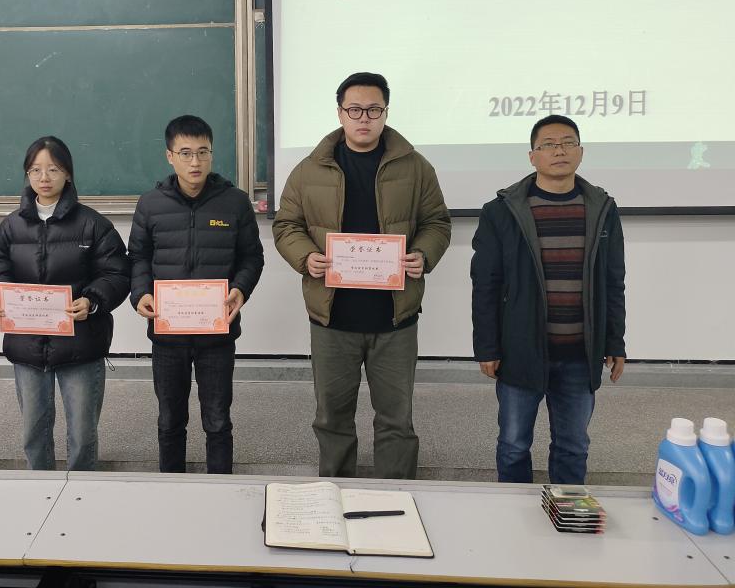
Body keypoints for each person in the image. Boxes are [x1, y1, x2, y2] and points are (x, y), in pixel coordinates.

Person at [273, 72, 451, 479]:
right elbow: (286, 225)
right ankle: (334, 494)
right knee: (331, 419)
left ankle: (398, 498)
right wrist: (306, 257)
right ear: (340, 113)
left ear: (386, 112)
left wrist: (424, 254)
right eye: (355, 110)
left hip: (395, 319)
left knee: (397, 421)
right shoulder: (310, 169)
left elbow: (437, 222)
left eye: (374, 110)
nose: (364, 118)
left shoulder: (416, 167)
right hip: (332, 318)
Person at [471, 114, 626, 484]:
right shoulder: (501, 212)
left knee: (573, 446)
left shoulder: (602, 208)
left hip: (580, 354)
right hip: (520, 350)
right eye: (549, 145)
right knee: (513, 444)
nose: (560, 151)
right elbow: (486, 284)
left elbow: (613, 281)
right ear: (532, 156)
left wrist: (614, 341)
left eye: (568, 143)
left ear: (581, 152)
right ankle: (514, 513)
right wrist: (487, 346)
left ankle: (567, 513)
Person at [128, 115, 264, 474]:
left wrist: (240, 289)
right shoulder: (150, 204)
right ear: (169, 156)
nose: (195, 162)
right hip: (167, 335)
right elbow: (138, 257)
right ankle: (171, 487)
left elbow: (252, 257)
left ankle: (221, 487)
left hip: (216, 335)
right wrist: (140, 293)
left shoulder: (234, 202)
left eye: (203, 152)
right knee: (170, 419)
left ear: (212, 154)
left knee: (217, 419)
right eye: (186, 153)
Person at [0, 136, 129, 471]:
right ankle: (40, 489)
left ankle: (81, 491)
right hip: (27, 346)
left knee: (82, 433)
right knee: (33, 432)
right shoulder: (11, 226)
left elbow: (117, 273)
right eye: (35, 170)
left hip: (81, 345)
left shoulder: (93, 224)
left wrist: (92, 300)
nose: (44, 177)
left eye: (53, 169)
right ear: (27, 174)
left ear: (68, 173)